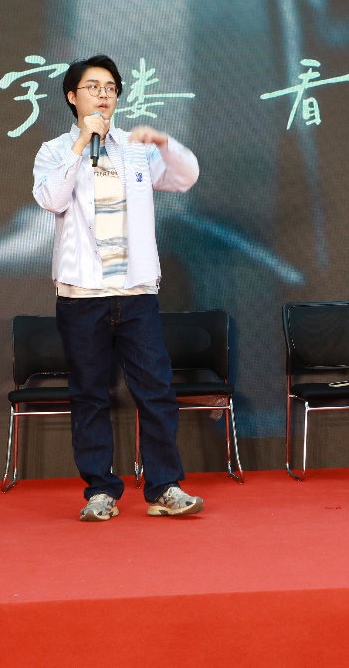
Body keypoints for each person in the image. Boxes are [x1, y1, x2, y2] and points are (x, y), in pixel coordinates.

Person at [32, 54, 204, 521]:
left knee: (155, 390)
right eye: (93, 87)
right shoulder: (54, 151)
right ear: (72, 97)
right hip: (82, 293)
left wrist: (164, 143)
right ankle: (100, 491)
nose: (104, 95)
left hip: (135, 291)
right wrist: (80, 145)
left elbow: (185, 177)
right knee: (90, 394)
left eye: (110, 87)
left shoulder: (134, 147)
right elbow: (50, 199)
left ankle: (164, 486)